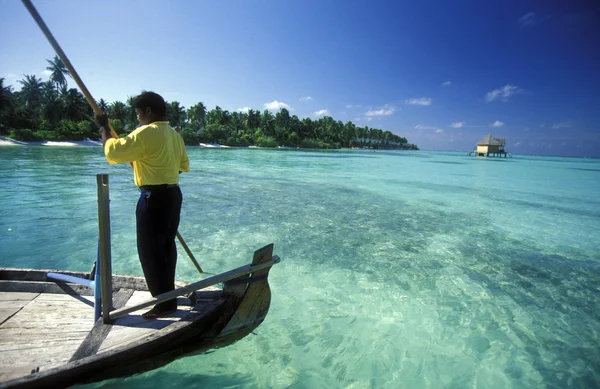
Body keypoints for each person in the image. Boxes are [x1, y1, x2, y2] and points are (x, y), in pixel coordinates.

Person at [96, 91, 190, 319]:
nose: (138, 118)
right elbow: (182, 166)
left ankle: (163, 303)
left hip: (153, 199)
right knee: (166, 249)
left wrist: (103, 129)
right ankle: (169, 299)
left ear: (148, 111)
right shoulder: (174, 135)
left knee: (149, 252)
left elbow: (113, 152)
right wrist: (151, 166)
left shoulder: (146, 133)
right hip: (173, 195)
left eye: (138, 113)